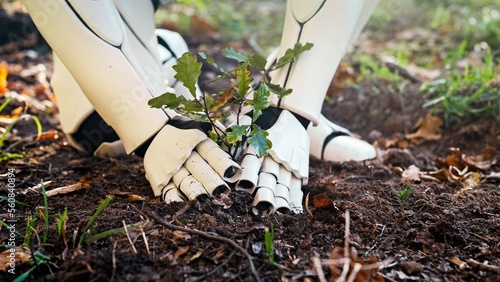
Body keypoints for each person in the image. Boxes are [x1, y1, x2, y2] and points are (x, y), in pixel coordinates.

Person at [21, 0, 378, 215]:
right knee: (101, 125)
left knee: (294, 106)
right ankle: (150, 68)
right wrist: (142, 122)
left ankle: (289, 108)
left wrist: (296, 106)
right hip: (104, 58)